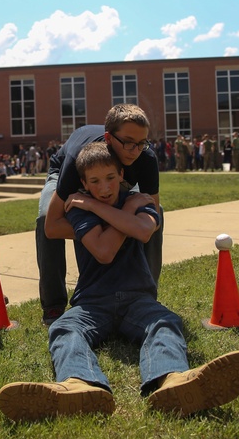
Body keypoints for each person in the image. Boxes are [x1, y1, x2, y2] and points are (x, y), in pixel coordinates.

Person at [0, 143, 239, 422]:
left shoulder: (137, 200)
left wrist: (113, 207)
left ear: (121, 174)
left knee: (165, 323)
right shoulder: (79, 208)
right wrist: (120, 211)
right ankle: (78, 384)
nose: (104, 188)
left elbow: (144, 231)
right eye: (94, 182)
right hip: (92, 302)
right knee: (64, 327)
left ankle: (173, 380)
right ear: (83, 183)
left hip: (137, 299)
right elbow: (104, 252)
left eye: (110, 177)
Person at [37, 104, 163, 326]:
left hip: (113, 175)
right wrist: (101, 228)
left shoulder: (145, 158)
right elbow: (52, 226)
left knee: (155, 213)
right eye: (128, 142)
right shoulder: (77, 159)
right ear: (109, 138)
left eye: (141, 143)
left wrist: (107, 216)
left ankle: (146, 293)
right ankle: (53, 303)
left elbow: (153, 219)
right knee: (44, 216)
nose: (135, 150)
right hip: (74, 171)